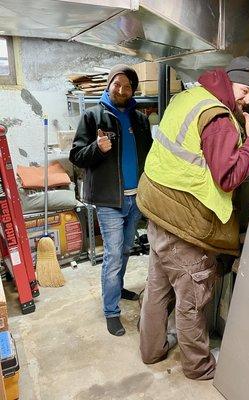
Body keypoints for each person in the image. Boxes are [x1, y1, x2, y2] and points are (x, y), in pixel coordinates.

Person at [137, 56, 249, 379]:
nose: (246, 99)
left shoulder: (191, 97)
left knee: (157, 288)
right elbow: (228, 177)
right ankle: (198, 366)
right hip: (184, 225)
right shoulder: (218, 118)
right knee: (193, 298)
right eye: (244, 90)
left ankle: (151, 351)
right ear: (230, 80)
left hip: (157, 211)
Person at [69, 64, 152, 337]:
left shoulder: (140, 120)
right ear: (109, 85)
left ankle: (118, 287)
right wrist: (97, 148)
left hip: (135, 198)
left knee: (126, 250)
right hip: (109, 202)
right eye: (117, 84)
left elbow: (149, 156)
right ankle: (111, 310)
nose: (121, 90)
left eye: (127, 86)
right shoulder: (93, 117)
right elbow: (77, 156)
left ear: (132, 90)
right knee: (113, 255)